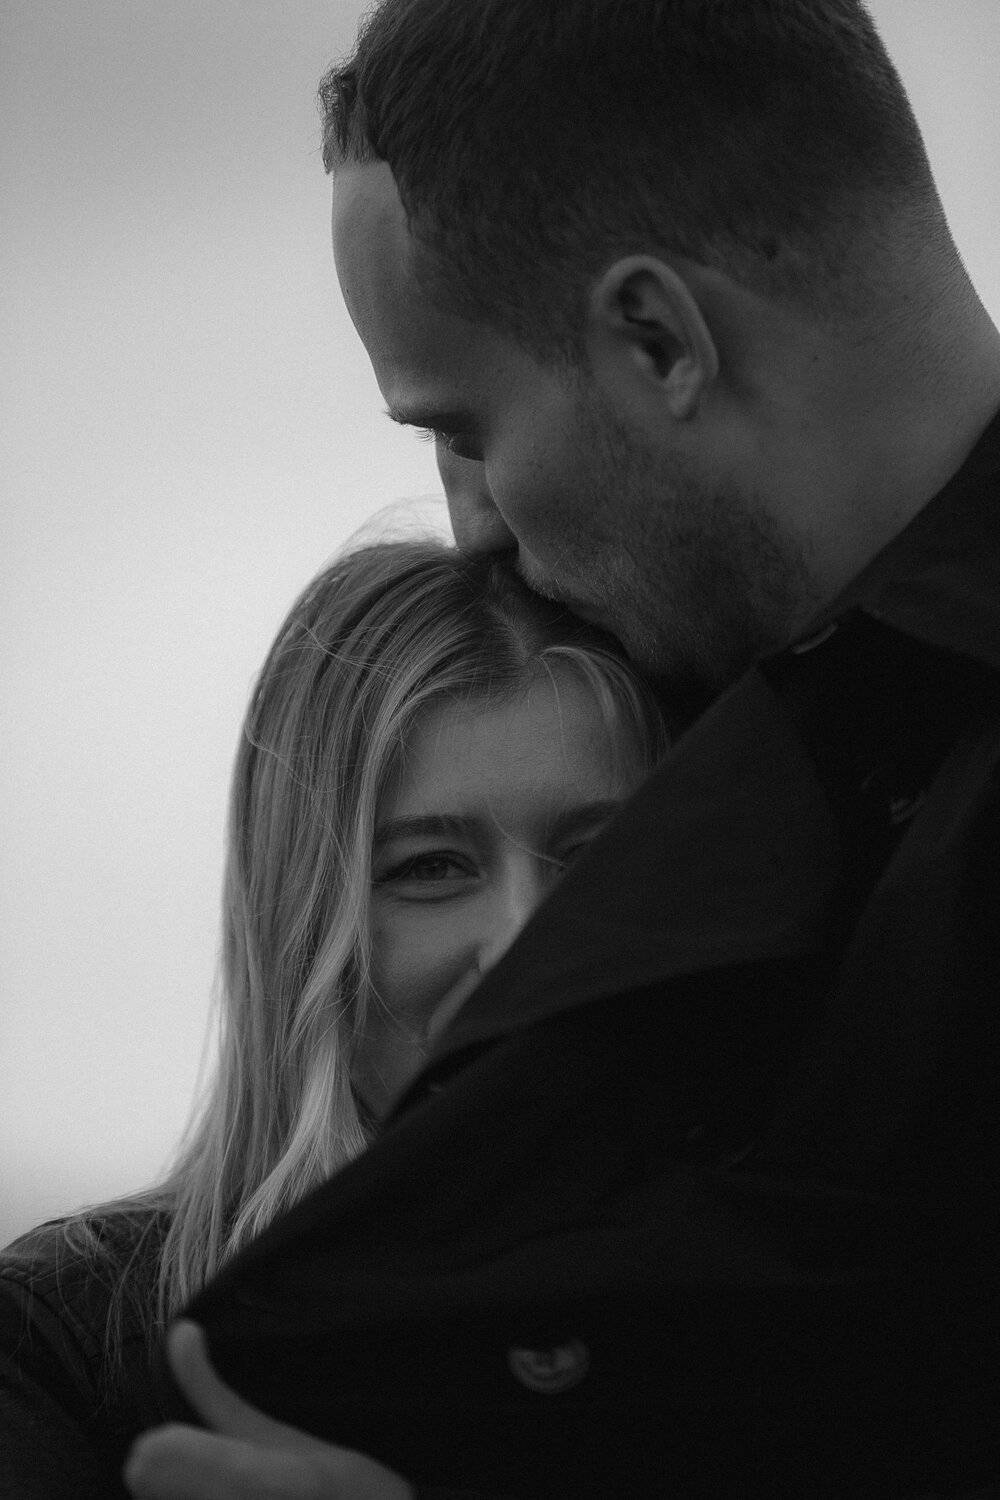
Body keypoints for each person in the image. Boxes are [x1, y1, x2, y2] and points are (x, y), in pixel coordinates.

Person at [130, 2, 1000, 1496]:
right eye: (428, 865)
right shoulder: (819, 758)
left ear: (658, 338)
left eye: (467, 429)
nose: (472, 529)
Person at [0, 537, 669, 1499]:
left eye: (596, 854)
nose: (525, 941)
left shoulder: (822, 1307)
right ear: (304, 926)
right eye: (430, 867)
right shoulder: (60, 1350)